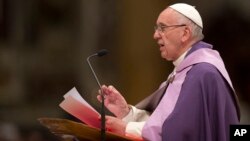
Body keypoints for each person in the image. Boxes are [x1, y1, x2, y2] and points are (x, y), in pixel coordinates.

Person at [97, 3, 240, 141]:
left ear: (185, 33)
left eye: (162, 28)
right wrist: (126, 113)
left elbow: (182, 132)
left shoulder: (202, 74)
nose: (155, 35)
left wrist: (127, 128)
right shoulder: (183, 71)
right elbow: (163, 122)